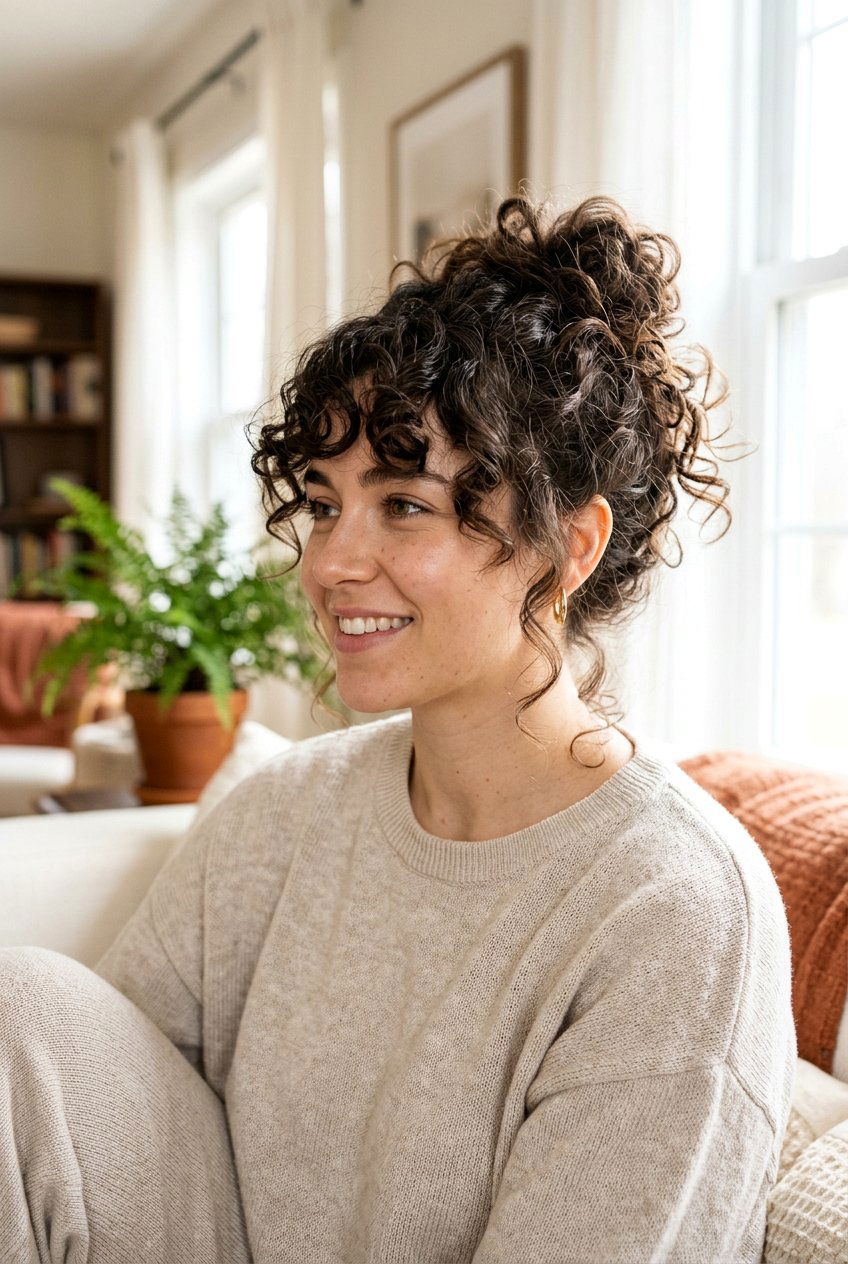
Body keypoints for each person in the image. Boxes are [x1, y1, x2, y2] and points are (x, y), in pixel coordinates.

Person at [0, 194, 796, 1263]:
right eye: (324, 503)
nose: (328, 563)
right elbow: (91, 1104)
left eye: (403, 504)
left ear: (567, 547)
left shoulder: (675, 909)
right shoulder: (284, 809)